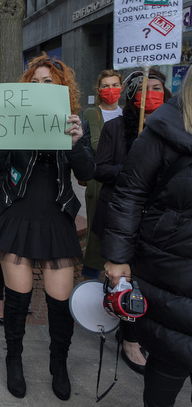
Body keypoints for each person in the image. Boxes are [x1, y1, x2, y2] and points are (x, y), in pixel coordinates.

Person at [0, 54, 95, 400]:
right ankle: (14, 360)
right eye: (34, 82)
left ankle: (59, 364)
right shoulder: (12, 119)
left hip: (56, 219)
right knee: (17, 300)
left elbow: (86, 172)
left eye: (48, 82)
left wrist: (77, 141)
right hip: (17, 217)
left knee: (59, 301)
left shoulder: (73, 123)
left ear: (61, 88)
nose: (41, 87)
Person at [103, 69, 192, 407]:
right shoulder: (163, 129)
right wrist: (117, 257)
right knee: (169, 366)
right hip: (171, 270)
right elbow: (129, 192)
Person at [92, 69, 171, 375]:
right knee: (126, 280)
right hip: (124, 217)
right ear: (134, 97)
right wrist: (134, 168)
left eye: (157, 88)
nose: (151, 94)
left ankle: (147, 331)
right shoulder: (115, 129)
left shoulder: (177, 129)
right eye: (145, 89)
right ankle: (130, 339)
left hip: (161, 222)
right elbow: (99, 170)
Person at [81, 70, 124, 280]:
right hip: (99, 183)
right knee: (96, 236)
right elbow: (97, 145)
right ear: (99, 90)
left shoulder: (127, 114)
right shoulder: (93, 113)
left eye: (115, 85)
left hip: (121, 182)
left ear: (122, 88)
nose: (110, 90)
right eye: (105, 86)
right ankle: (89, 279)